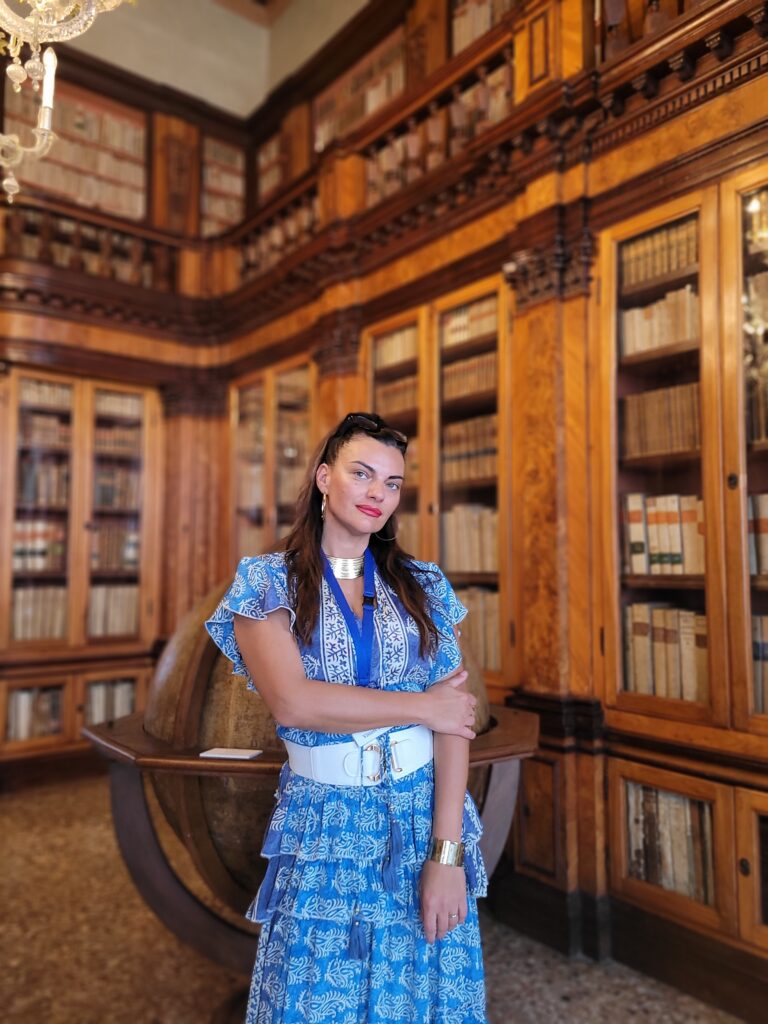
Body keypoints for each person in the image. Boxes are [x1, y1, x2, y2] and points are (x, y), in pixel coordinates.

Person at [205, 411, 488, 1023]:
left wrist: (447, 855)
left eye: (392, 484)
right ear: (323, 478)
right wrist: (420, 706)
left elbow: (456, 723)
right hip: (325, 819)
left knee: (423, 990)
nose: (377, 495)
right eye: (362, 474)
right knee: (314, 997)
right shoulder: (266, 584)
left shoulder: (422, 585)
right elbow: (294, 701)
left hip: (420, 815)